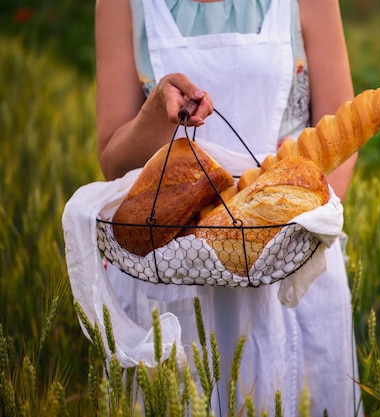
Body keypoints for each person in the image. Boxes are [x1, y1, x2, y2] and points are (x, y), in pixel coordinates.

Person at [94, 0, 362, 415]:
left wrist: (293, 236)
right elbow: (113, 161)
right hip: (171, 276)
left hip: (291, 275)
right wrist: (155, 114)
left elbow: (341, 137)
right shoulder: (121, 5)